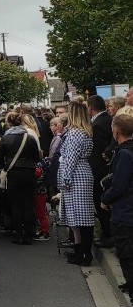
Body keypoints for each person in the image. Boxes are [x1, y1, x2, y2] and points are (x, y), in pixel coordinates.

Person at [99, 113, 133, 307]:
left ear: (116, 131)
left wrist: (105, 198)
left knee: (129, 260)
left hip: (126, 215)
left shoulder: (124, 154)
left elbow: (119, 185)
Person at [57, 99, 95, 266]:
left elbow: (70, 159)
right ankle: (82, 251)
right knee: (82, 217)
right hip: (84, 172)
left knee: (79, 217)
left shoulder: (74, 133)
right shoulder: (85, 131)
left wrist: (65, 180)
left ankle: (84, 253)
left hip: (75, 175)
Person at [0, 111, 41, 245]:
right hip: (29, 172)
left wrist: (6, 166)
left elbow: (0, 158)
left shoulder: (6, 138)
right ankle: (28, 234)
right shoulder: (30, 138)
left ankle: (18, 234)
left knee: (15, 204)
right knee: (27, 204)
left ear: (9, 123)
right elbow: (36, 157)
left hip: (13, 172)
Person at [88, 95, 114, 246]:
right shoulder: (107, 119)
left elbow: (97, 151)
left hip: (99, 170)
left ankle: (108, 234)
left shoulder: (98, 124)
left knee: (101, 203)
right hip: (103, 169)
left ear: (91, 108)